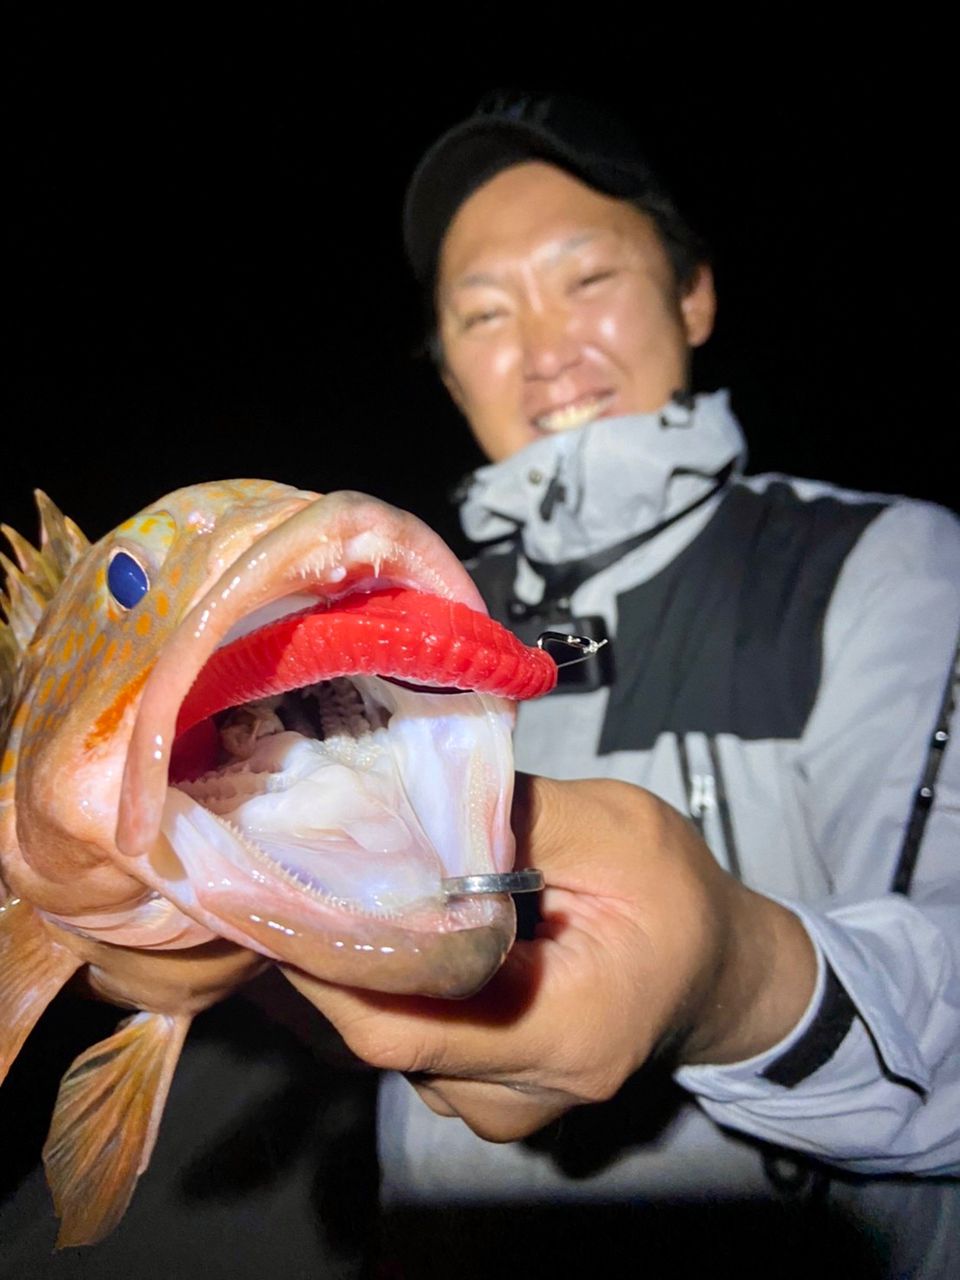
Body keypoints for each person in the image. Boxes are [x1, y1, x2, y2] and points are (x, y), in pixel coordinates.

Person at [306, 94, 960, 1277]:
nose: (546, 347)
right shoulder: (381, 640)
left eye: (587, 277)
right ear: (451, 374)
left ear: (694, 292)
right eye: (486, 312)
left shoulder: (883, 564)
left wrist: (739, 977)